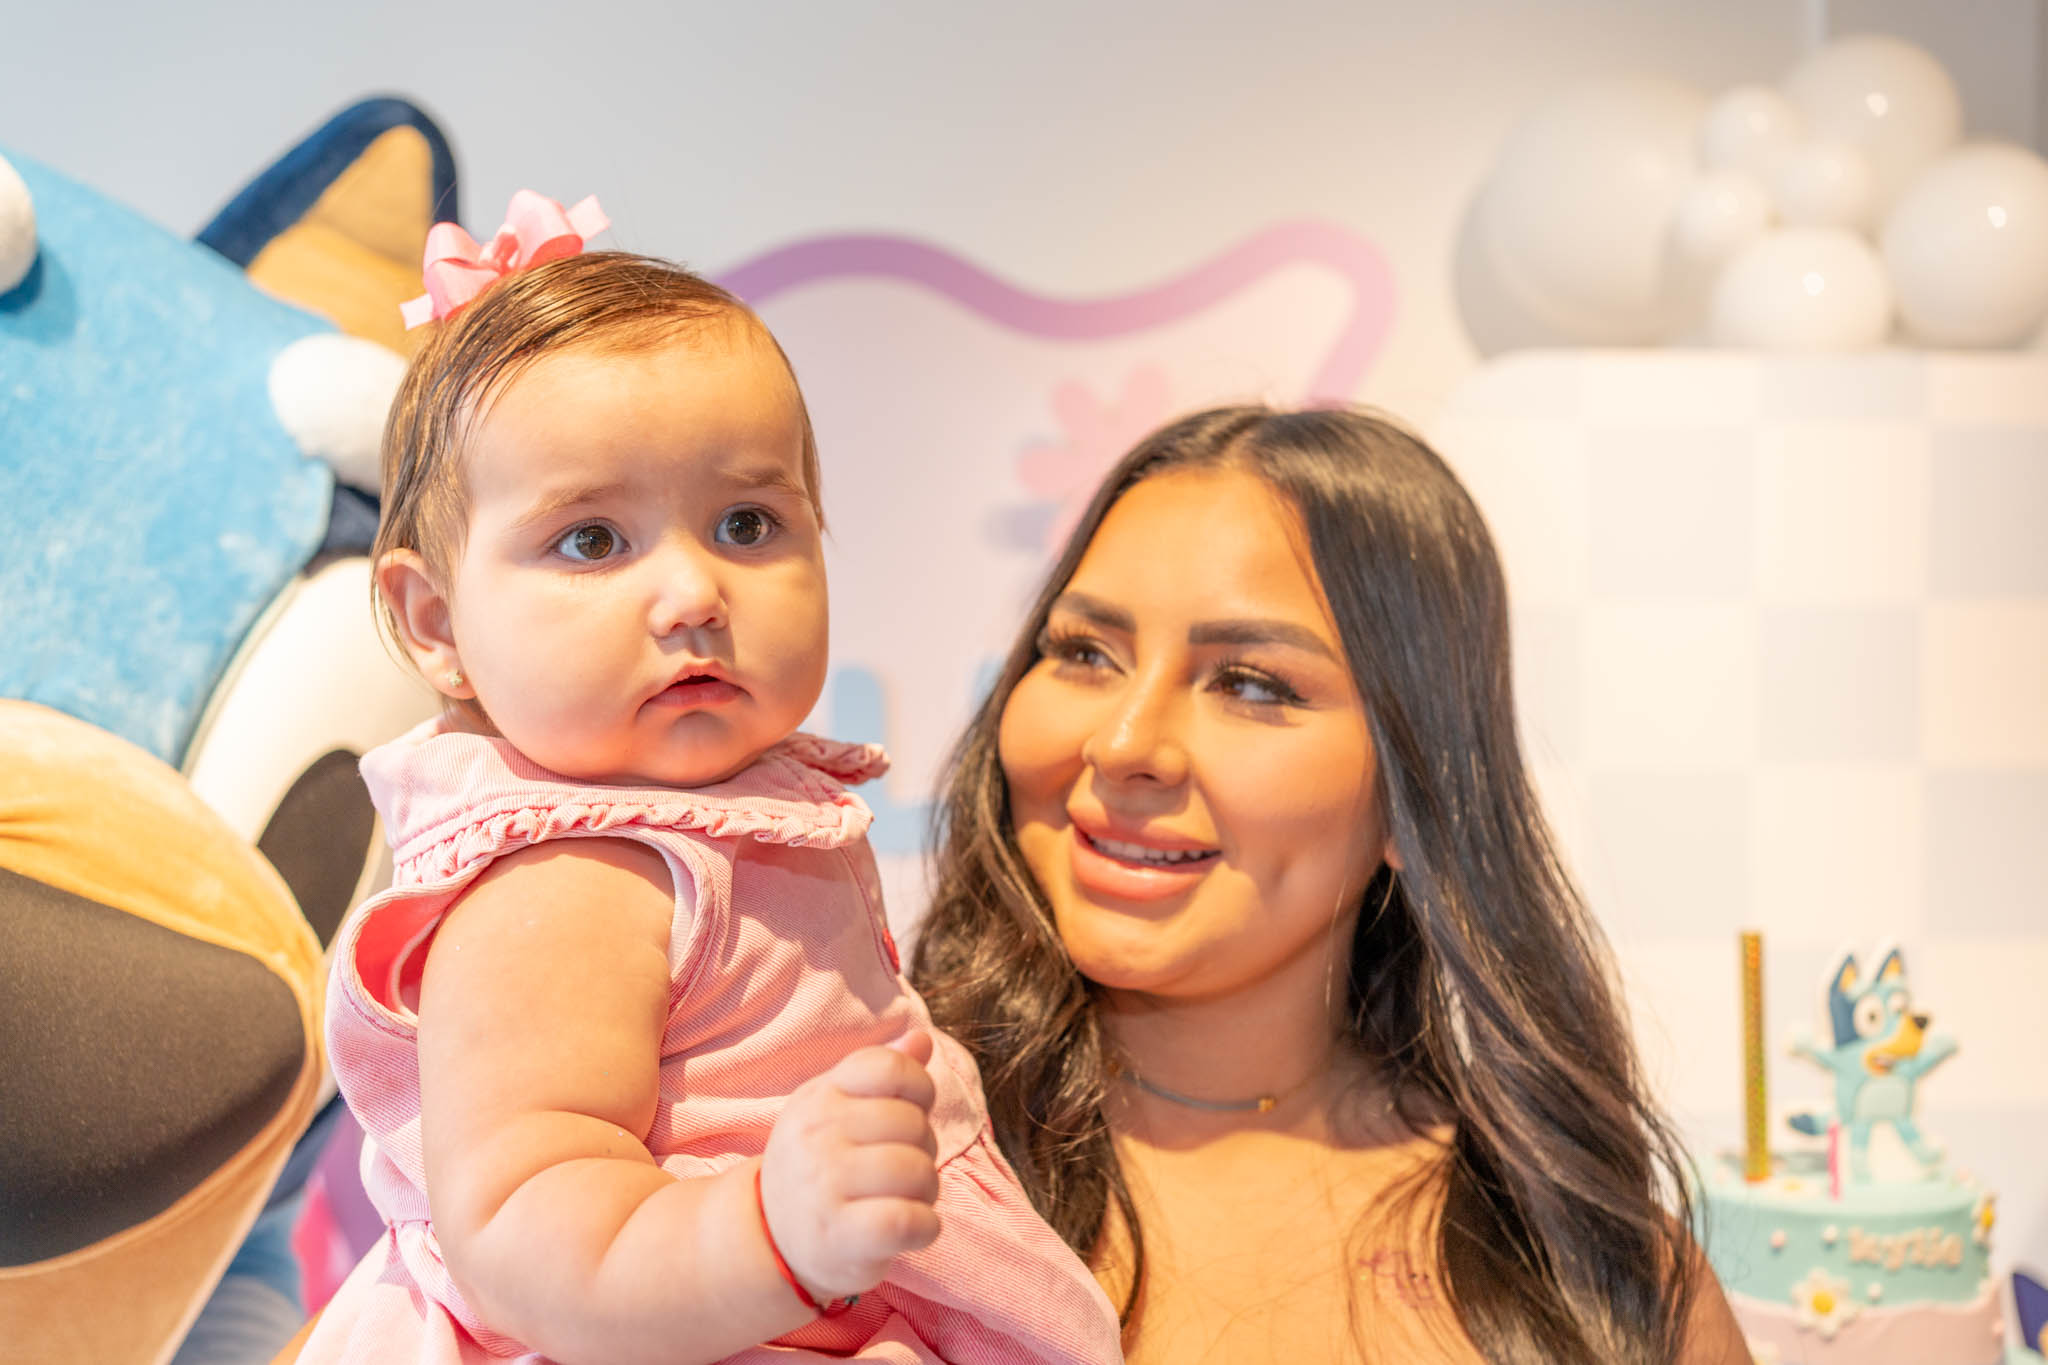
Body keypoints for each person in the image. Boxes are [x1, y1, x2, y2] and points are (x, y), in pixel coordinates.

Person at [299, 239, 1121, 1364]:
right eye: (592, 540)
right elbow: (521, 1227)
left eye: (747, 524)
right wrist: (766, 1231)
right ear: (437, 623)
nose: (693, 593)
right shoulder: (566, 884)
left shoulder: (728, 814)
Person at [911, 406, 1751, 1363]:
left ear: (1414, 789)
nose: (1125, 742)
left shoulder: (1591, 1273)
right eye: (1085, 653)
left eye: (1251, 683)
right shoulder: (854, 1147)